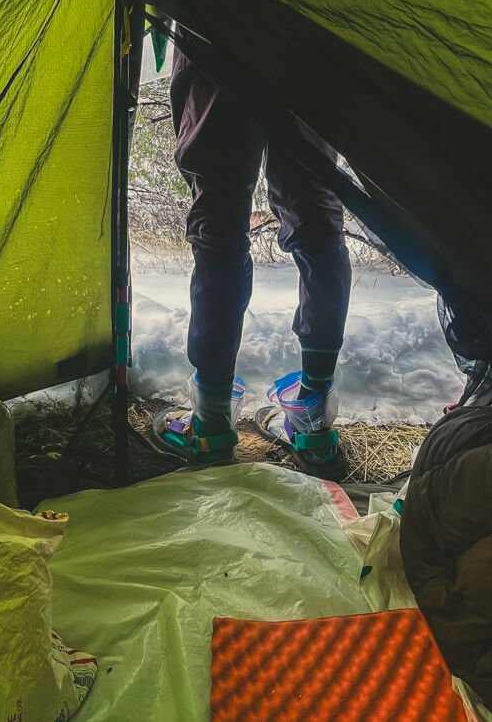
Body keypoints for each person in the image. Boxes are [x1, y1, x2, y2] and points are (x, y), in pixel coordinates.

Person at [148, 47, 351, 480]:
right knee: (316, 214)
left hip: (216, 22)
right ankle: (312, 423)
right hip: (307, 26)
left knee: (219, 218)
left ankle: (212, 424)